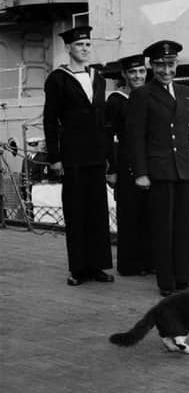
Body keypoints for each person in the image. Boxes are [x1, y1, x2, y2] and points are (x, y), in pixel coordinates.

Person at [127, 40, 189, 296]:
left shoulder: (187, 93)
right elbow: (135, 137)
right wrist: (140, 172)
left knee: (184, 227)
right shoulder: (142, 95)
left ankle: (183, 279)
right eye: (160, 65)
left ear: (177, 64)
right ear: (151, 66)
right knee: (163, 228)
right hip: (159, 171)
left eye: (170, 64)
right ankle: (167, 283)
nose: (166, 70)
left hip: (186, 169)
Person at [43, 25, 114, 286]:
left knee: (97, 211)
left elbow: (103, 120)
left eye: (87, 44)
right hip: (72, 155)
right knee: (76, 211)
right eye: (79, 45)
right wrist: (55, 157)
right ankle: (78, 268)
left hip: (96, 155)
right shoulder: (57, 79)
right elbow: (50, 120)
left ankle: (97, 266)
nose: (84, 48)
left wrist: (108, 154)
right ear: (69, 48)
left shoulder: (98, 77)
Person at [105, 53, 153, 276]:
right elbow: (108, 136)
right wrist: (112, 169)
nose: (137, 76)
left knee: (149, 214)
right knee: (130, 213)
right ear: (124, 74)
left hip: (151, 164)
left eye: (141, 71)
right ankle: (130, 265)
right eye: (132, 72)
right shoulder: (116, 100)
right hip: (126, 165)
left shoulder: (151, 95)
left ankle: (149, 261)